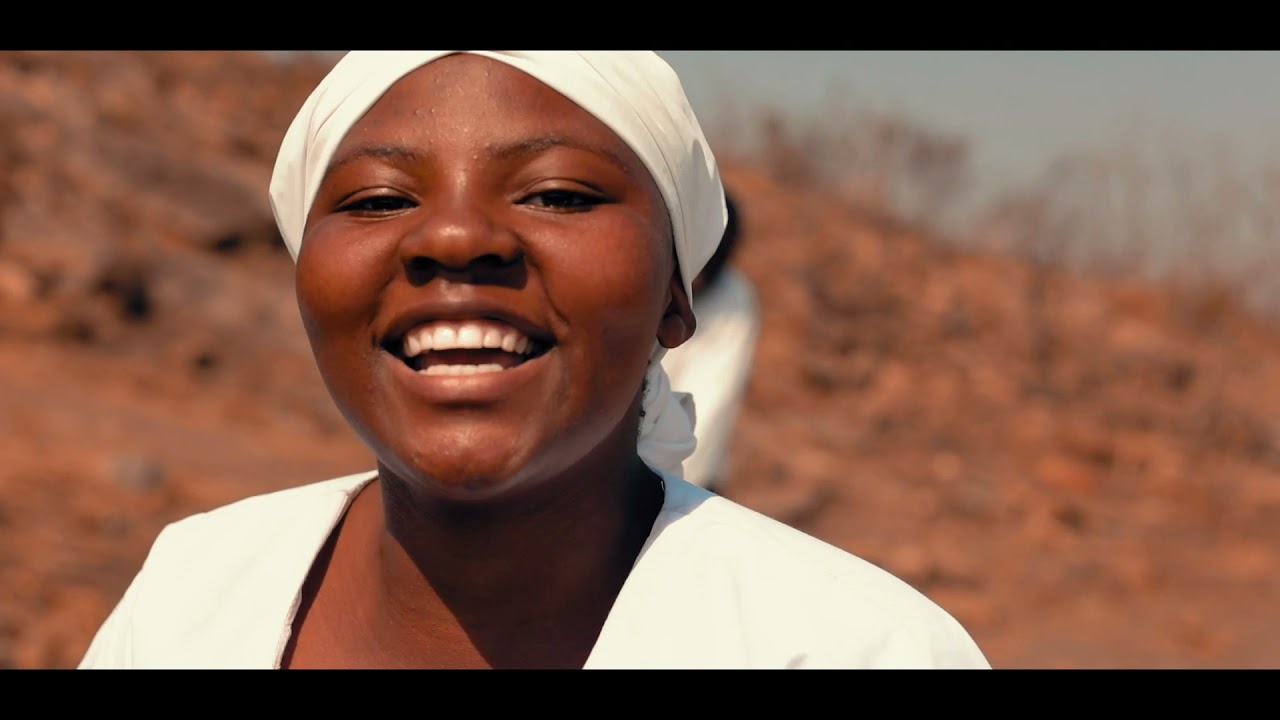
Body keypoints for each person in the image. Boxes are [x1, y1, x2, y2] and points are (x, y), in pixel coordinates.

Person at [77, 51, 990, 669]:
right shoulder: (196, 590)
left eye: (557, 193)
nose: (456, 234)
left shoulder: (846, 648)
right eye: (376, 200)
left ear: (679, 295)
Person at [660, 192, 759, 493]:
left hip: (680, 481)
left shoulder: (732, 302)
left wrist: (664, 490)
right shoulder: (644, 270)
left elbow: (709, 406)